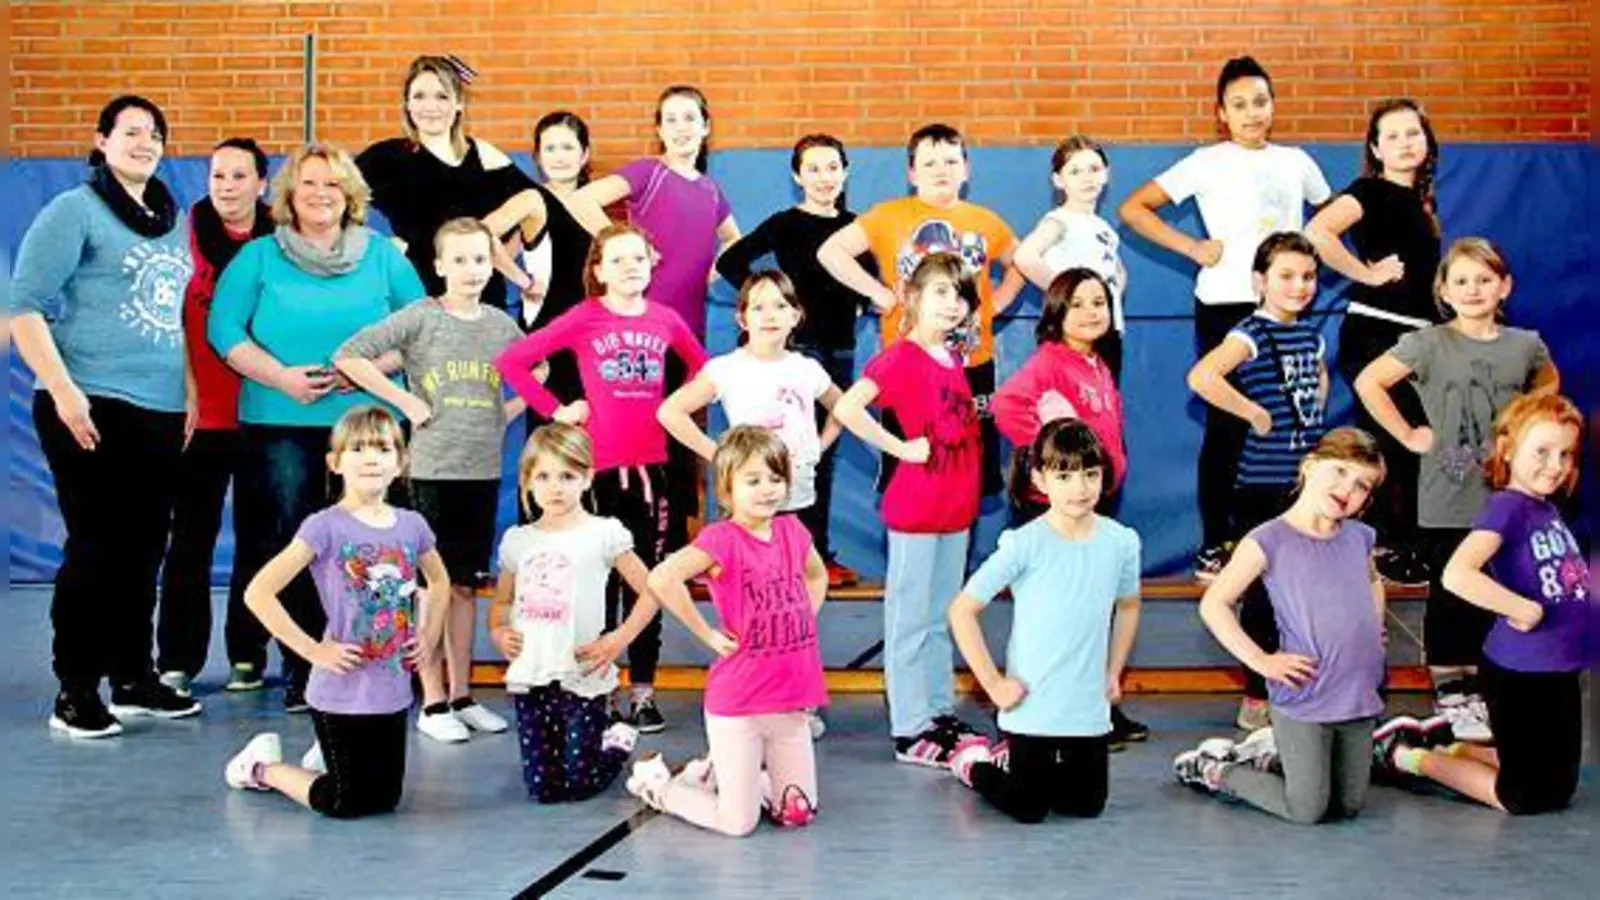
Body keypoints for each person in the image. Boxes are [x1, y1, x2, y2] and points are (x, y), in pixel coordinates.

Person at [209, 142, 425, 711]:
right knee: (296, 544)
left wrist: (368, 370)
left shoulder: (383, 257)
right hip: (279, 421)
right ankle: (306, 666)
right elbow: (223, 330)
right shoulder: (258, 257)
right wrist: (281, 377)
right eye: (308, 183)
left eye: (332, 183)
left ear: (350, 194)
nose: (321, 193)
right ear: (288, 194)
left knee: (377, 546)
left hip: (370, 427)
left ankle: (385, 659)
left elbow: (420, 329)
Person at [12, 95, 200, 736]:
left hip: (160, 409)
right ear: (101, 141)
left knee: (144, 548)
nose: (145, 143)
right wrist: (63, 391)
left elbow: (176, 316)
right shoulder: (75, 210)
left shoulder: (172, 220)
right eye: (131, 132)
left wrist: (190, 392)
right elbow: (25, 306)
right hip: (89, 402)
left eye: (156, 135)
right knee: (96, 547)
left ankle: (133, 677)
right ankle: (75, 688)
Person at [1119, 56, 1332, 579]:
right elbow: (1133, 208)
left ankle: (1287, 534)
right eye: (1239, 104)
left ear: (1273, 105)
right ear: (1222, 113)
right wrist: (1191, 246)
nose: (1252, 112)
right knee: (1229, 423)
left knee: (1289, 421)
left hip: (1285, 306)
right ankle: (1218, 541)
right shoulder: (1205, 162)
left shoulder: (1297, 162)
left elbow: (1331, 218)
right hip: (1227, 304)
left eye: (1260, 101)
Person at [495, 223, 709, 732]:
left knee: (648, 580)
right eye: (617, 259)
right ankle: (599, 684)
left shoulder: (666, 319)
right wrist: (557, 410)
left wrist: (677, 408)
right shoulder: (585, 316)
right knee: (596, 583)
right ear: (598, 270)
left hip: (651, 470)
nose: (630, 267)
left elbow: (706, 372)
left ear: (652, 263)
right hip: (597, 474)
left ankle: (643, 691)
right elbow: (513, 362)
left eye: (638, 257)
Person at [1353, 237, 1559, 739]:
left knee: (1500, 585)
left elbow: (1549, 385)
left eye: (1484, 279)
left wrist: (1527, 431)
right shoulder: (1427, 343)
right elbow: (1369, 381)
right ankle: (1451, 686)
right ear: (1443, 290)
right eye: (1461, 281)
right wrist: (1408, 434)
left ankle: (1491, 678)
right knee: (1451, 593)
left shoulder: (1525, 344)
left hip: (1507, 495)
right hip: (1448, 492)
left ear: (1504, 286)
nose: (1473, 289)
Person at [334, 217, 526, 743]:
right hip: (432, 472)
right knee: (428, 587)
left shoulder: (500, 326)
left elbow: (538, 371)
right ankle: (432, 699)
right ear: (439, 266)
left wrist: (503, 414)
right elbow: (348, 356)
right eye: (459, 260)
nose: (471, 270)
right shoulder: (421, 317)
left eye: (480, 259)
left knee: (464, 585)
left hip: (481, 470)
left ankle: (462, 695)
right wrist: (404, 401)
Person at [222, 407, 448, 819]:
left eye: (382, 448)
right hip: (340, 686)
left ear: (401, 462)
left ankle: (324, 760)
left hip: (391, 683)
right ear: (335, 462)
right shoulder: (323, 527)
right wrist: (313, 651)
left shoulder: (412, 525)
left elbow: (440, 581)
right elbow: (259, 592)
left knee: (385, 800)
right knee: (347, 803)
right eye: (357, 448)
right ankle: (262, 767)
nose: (371, 457)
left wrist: (428, 637)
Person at [1373, 393, 1589, 815]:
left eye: (1565, 454)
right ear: (1507, 450)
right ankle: (1405, 755)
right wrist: (1520, 608)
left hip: (1559, 669)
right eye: (1542, 451)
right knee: (1522, 797)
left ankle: (1445, 743)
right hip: (1521, 672)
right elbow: (1457, 574)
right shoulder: (1507, 507)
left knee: (1557, 789)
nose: (1555, 465)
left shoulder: (1545, 509)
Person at [1177, 428, 1388, 825]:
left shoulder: (1360, 537)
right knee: (1308, 809)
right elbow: (1214, 604)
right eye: (1340, 471)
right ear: (1310, 466)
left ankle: (1274, 757)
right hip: (1305, 690)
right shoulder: (1268, 539)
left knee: (1348, 805)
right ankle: (1217, 770)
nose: (1348, 489)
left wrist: (1374, 630)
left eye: (1362, 485)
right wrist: (1261, 661)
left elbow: (1372, 580)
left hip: (1357, 688)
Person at [628, 427, 830, 835]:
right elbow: (662, 578)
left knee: (797, 812)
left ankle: (715, 772)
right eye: (752, 480)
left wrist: (804, 616)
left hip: (789, 704)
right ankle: (661, 788)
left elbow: (816, 575)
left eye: (775, 478)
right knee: (738, 823)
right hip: (739, 703)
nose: (767, 489)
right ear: (727, 489)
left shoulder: (793, 531)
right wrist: (707, 634)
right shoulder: (721, 539)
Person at [945, 419, 1142, 824]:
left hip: (1085, 704)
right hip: (1030, 703)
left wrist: (1113, 671)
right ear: (1039, 479)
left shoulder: (1121, 542)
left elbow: (1128, 606)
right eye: (1064, 476)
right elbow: (961, 610)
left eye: (1090, 474)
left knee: (1084, 806)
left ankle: (1028, 768)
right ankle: (975, 764)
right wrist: (994, 685)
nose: (1079, 488)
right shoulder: (1023, 544)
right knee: (1028, 807)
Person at [831, 253, 985, 765]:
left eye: (960, 295)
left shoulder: (953, 358)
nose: (952, 303)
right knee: (910, 621)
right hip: (917, 509)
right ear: (912, 297)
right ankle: (909, 728)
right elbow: (848, 407)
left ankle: (937, 712)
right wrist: (899, 448)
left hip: (956, 509)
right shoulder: (899, 357)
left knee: (941, 618)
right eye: (940, 291)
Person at [819, 122, 1024, 499]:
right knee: (912, 466)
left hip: (971, 363)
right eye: (930, 163)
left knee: (968, 472)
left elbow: (1021, 261)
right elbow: (830, 251)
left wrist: (999, 300)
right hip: (910, 367)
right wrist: (878, 293)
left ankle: (959, 536)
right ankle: (906, 532)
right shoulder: (887, 216)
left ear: (966, 169)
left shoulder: (986, 221)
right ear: (912, 173)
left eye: (951, 161)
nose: (941, 170)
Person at [989, 267, 1146, 748]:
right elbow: (1005, 406)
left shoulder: (1096, 362)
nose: (1090, 312)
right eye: (1077, 304)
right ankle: (1032, 713)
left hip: (1094, 503)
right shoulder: (1050, 362)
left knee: (1091, 616)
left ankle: (1097, 705)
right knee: (1056, 619)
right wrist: (1055, 455)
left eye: (1098, 302)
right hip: (1056, 513)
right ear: (1057, 312)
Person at [715, 134, 873, 586]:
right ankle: (756, 549)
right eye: (813, 169)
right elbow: (731, 261)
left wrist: (860, 304)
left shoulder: (857, 227)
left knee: (821, 455)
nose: (824, 177)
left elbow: (870, 278)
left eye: (832, 168)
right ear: (797, 176)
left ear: (845, 172)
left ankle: (814, 554)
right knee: (776, 453)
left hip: (839, 349)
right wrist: (769, 299)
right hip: (797, 349)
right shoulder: (785, 224)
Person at [1187, 232, 1329, 730]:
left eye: (1308, 276)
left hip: (1303, 485)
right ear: (1259, 281)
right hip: (1262, 486)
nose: (1299, 286)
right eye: (1286, 276)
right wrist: (1252, 412)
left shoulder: (1310, 335)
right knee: (1264, 594)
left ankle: (1301, 681)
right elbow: (1202, 377)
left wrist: (1313, 431)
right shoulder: (1250, 332)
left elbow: (1316, 381)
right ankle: (1255, 692)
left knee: (1304, 589)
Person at [1306, 99, 1442, 587]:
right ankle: (1389, 545)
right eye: (1393, 135)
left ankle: (1400, 543)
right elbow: (1317, 231)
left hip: (1416, 334)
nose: (1405, 143)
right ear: (1376, 148)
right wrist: (1365, 274)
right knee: (1394, 440)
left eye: (1413, 133)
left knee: (1412, 439)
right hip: (1378, 330)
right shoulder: (1370, 190)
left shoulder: (1421, 203)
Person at [489, 424, 658, 802]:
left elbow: (652, 590)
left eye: (567, 476)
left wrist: (618, 638)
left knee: (579, 783)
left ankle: (616, 742)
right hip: (532, 674)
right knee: (543, 789)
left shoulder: (604, 533)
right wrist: (498, 631)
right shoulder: (518, 540)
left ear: (587, 477)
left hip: (583, 671)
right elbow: (501, 602)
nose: (556, 487)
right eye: (544, 477)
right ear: (527, 481)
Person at [356, 54, 535, 308]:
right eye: (419, 96)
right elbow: (333, 200)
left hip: (483, 300)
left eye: (441, 96)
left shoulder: (485, 156)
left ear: (459, 103)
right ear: (407, 104)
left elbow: (536, 206)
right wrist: (381, 246)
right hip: (419, 297)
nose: (430, 106)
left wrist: (506, 258)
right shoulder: (386, 157)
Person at [1013, 135, 1129, 379]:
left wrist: (1109, 297)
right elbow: (1024, 256)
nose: (1087, 178)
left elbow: (1117, 273)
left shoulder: (1104, 228)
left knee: (1105, 399)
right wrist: (1066, 294)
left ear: (1106, 174)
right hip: (1073, 333)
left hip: (1107, 331)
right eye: (1075, 171)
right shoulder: (1059, 221)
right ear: (1058, 180)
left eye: (1094, 169)